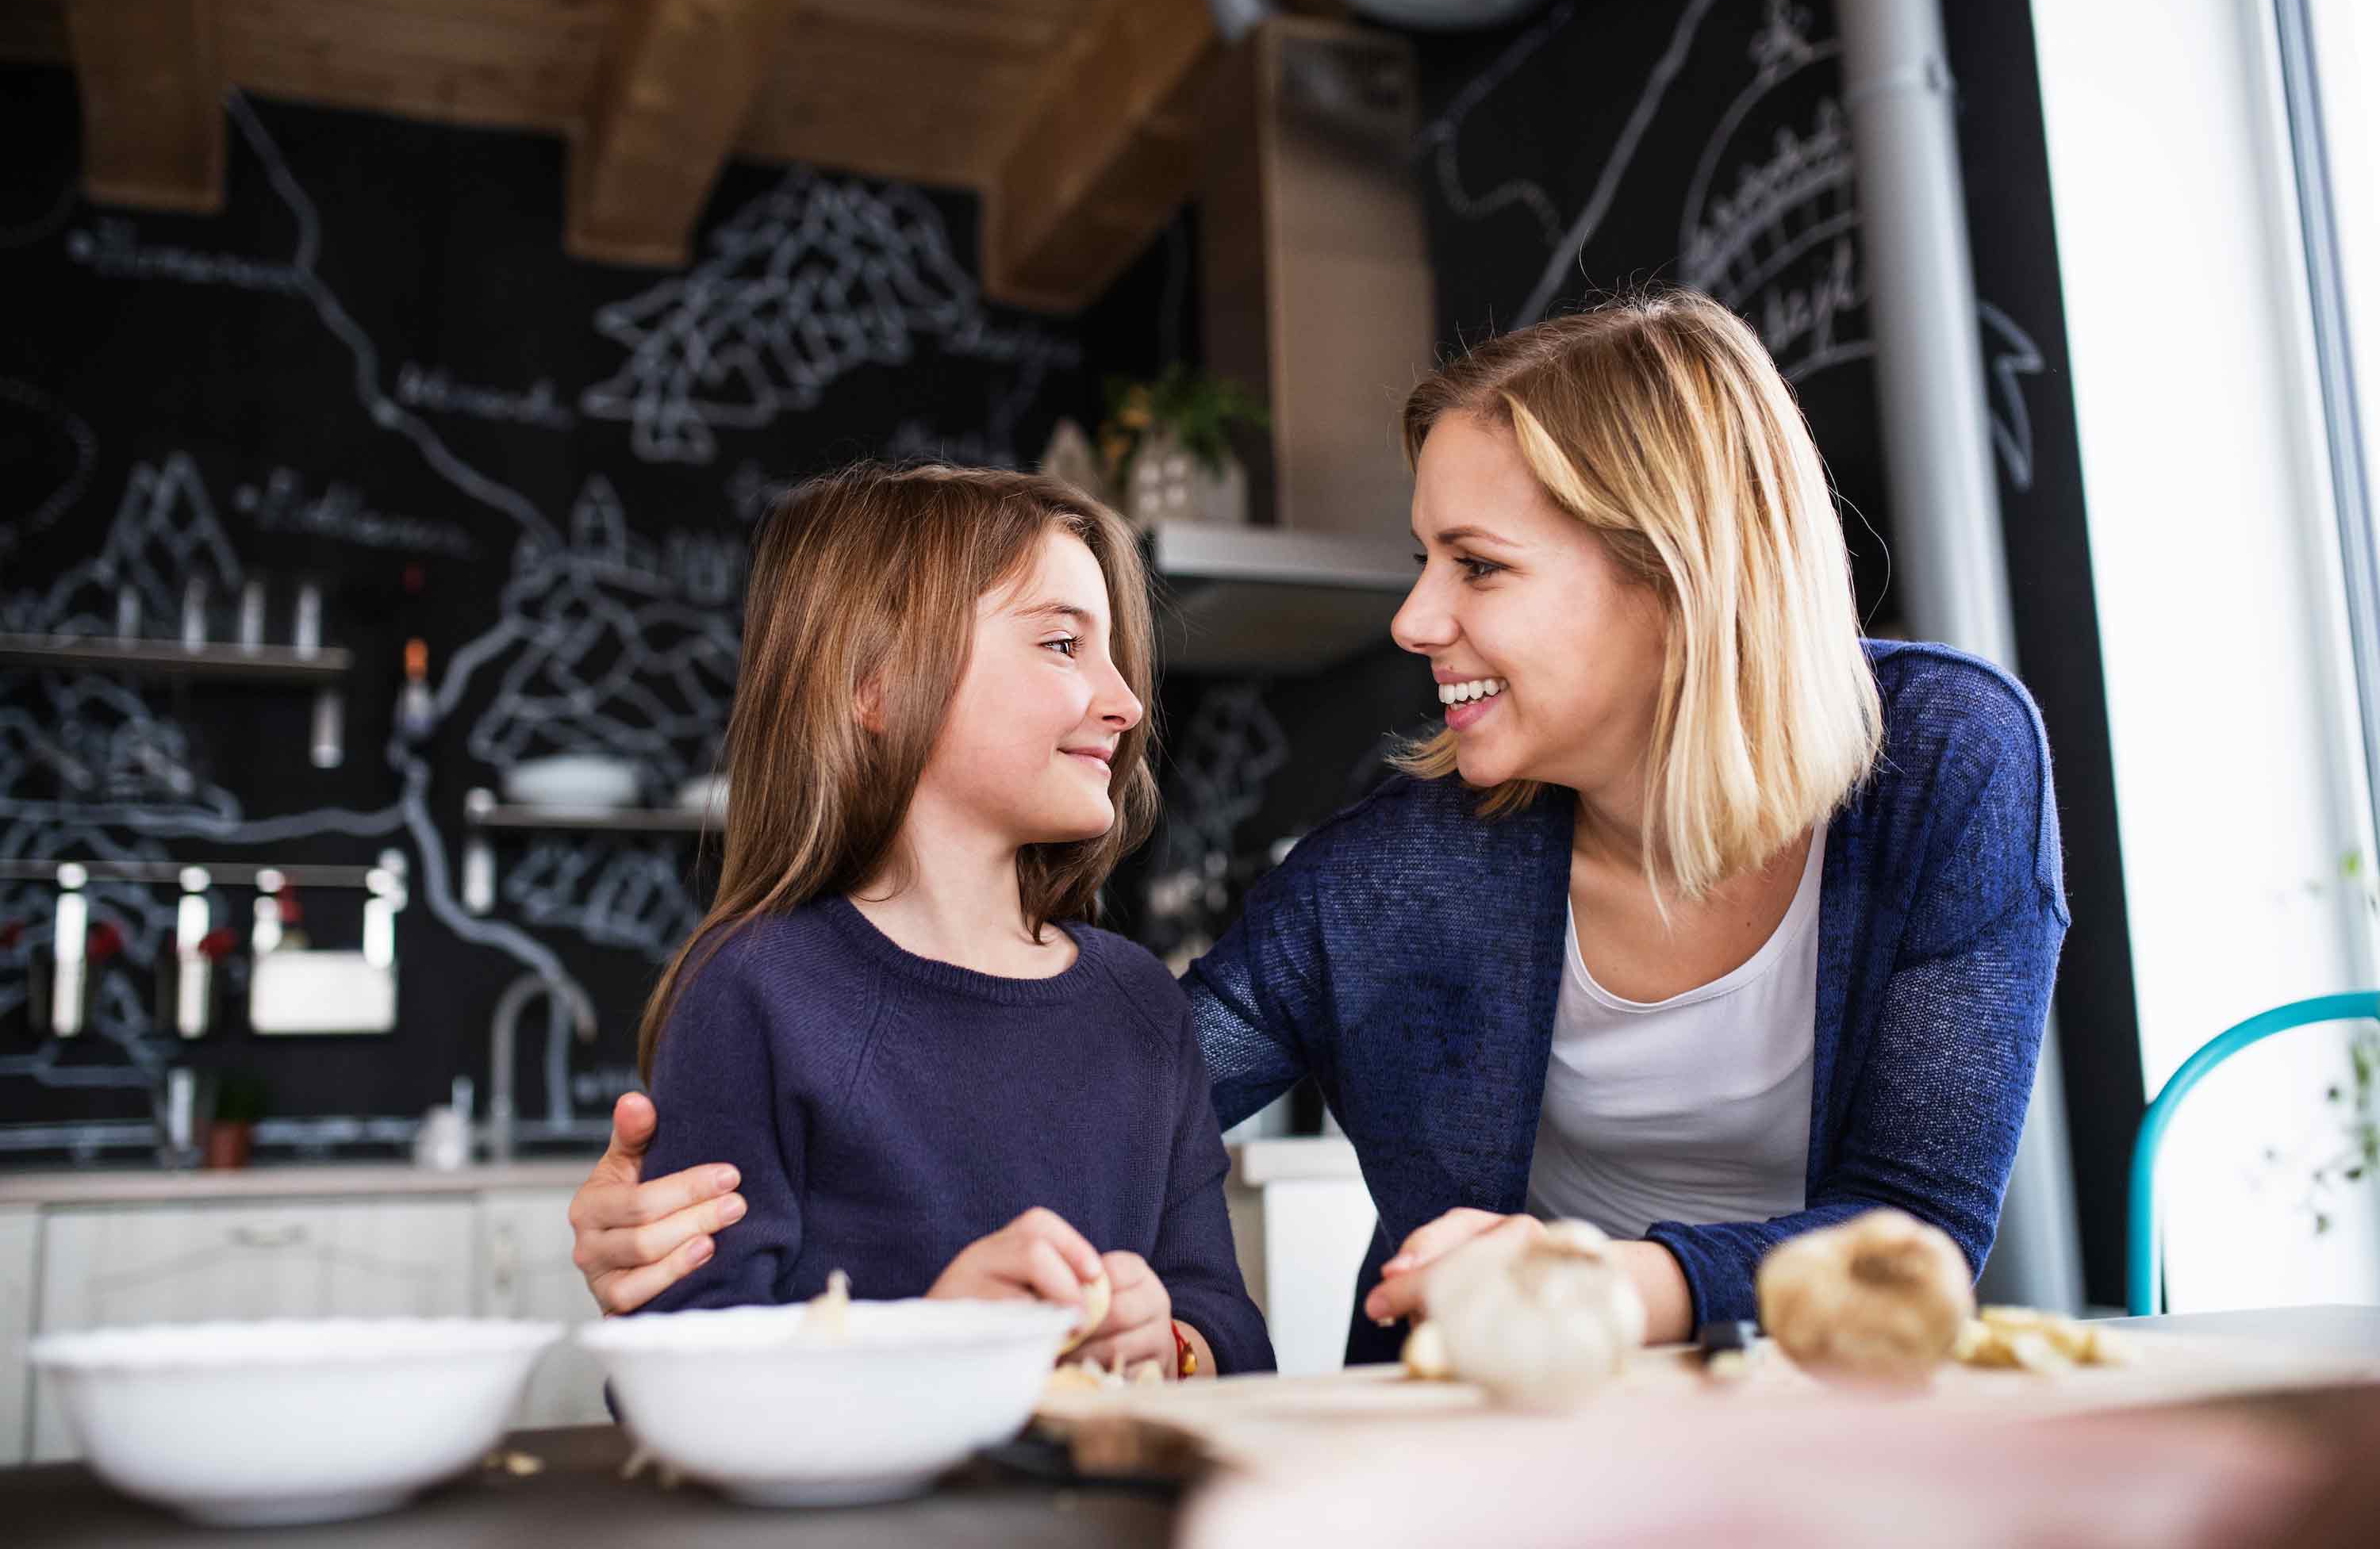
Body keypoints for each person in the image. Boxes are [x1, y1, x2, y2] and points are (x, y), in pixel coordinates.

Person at [568, 289, 2067, 1365]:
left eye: (1476, 564)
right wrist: (697, 1243)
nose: (1416, 618)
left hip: (1840, 1415)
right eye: (1424, 558)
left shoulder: (1946, 763)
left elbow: (1918, 1236)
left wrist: (1623, 1284)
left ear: (1671, 576)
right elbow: (1085, 1085)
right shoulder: (1389, 877)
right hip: (1489, 1441)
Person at [610, 461, 1271, 1379]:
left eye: (1116, 653)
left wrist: (1169, 1341)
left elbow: (1229, 1330)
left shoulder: (1140, 1003)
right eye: (1062, 645)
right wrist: (930, 1342)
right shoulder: (754, 989)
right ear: (873, 685)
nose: (1126, 703)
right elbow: (668, 1374)